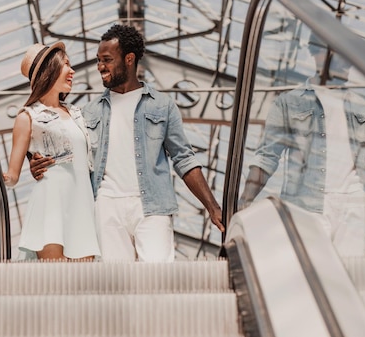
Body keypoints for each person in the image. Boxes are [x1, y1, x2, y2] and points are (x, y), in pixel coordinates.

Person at [30, 24, 224, 262]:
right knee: (117, 286)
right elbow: (66, 153)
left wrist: (212, 206)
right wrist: (35, 162)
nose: (100, 66)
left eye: (107, 59)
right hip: (106, 206)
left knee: (157, 279)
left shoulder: (161, 106)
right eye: (98, 60)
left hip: (152, 206)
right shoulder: (88, 113)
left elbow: (184, 158)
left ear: (129, 59)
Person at [239, 33, 365, 257]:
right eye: (337, 53)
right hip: (306, 205)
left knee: (350, 278)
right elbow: (267, 156)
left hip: (354, 205)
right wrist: (244, 201)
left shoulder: (364, 104)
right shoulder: (290, 102)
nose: (345, 61)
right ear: (316, 54)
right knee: (311, 269)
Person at [2, 41, 100, 261]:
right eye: (66, 64)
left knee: (84, 286)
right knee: (55, 284)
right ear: (50, 70)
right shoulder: (27, 116)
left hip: (82, 205)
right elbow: (13, 175)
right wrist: (0, 178)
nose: (72, 70)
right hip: (49, 206)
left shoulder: (77, 114)